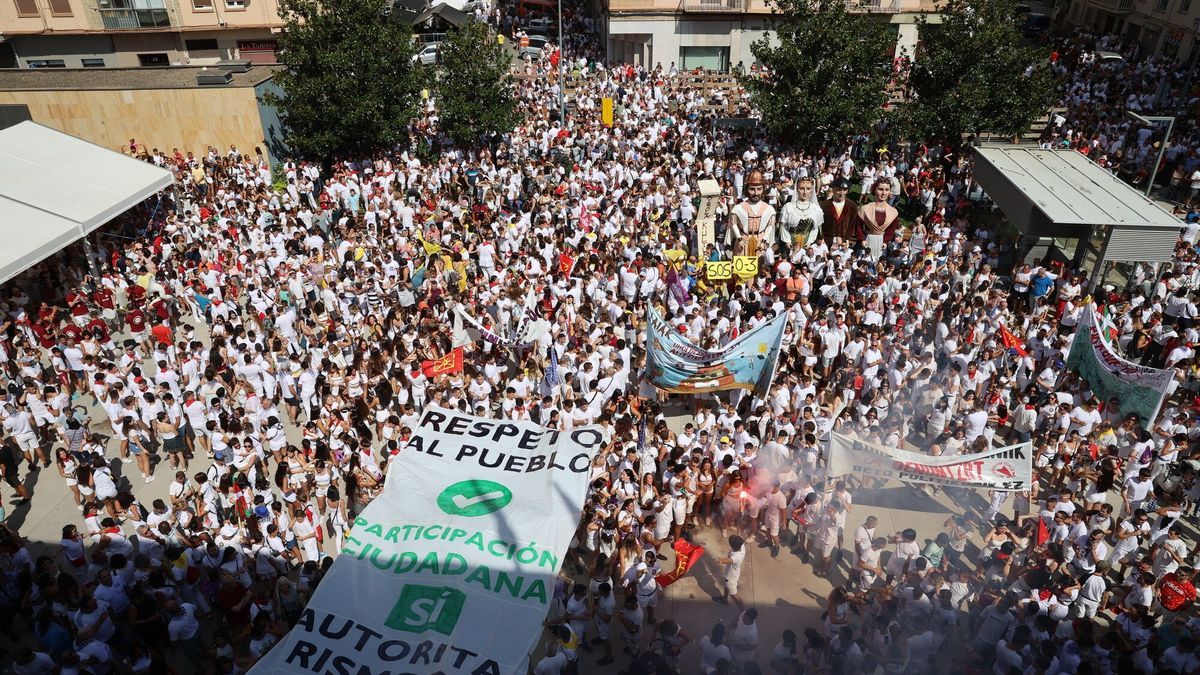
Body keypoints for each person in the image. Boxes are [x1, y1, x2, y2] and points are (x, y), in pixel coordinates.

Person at [716, 534, 746, 610]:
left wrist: (719, 559)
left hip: (731, 577)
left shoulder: (736, 557)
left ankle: (743, 611)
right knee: (727, 585)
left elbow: (727, 561)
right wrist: (739, 524)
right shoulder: (742, 546)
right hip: (733, 574)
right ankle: (724, 599)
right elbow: (739, 534)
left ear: (732, 545)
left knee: (734, 594)